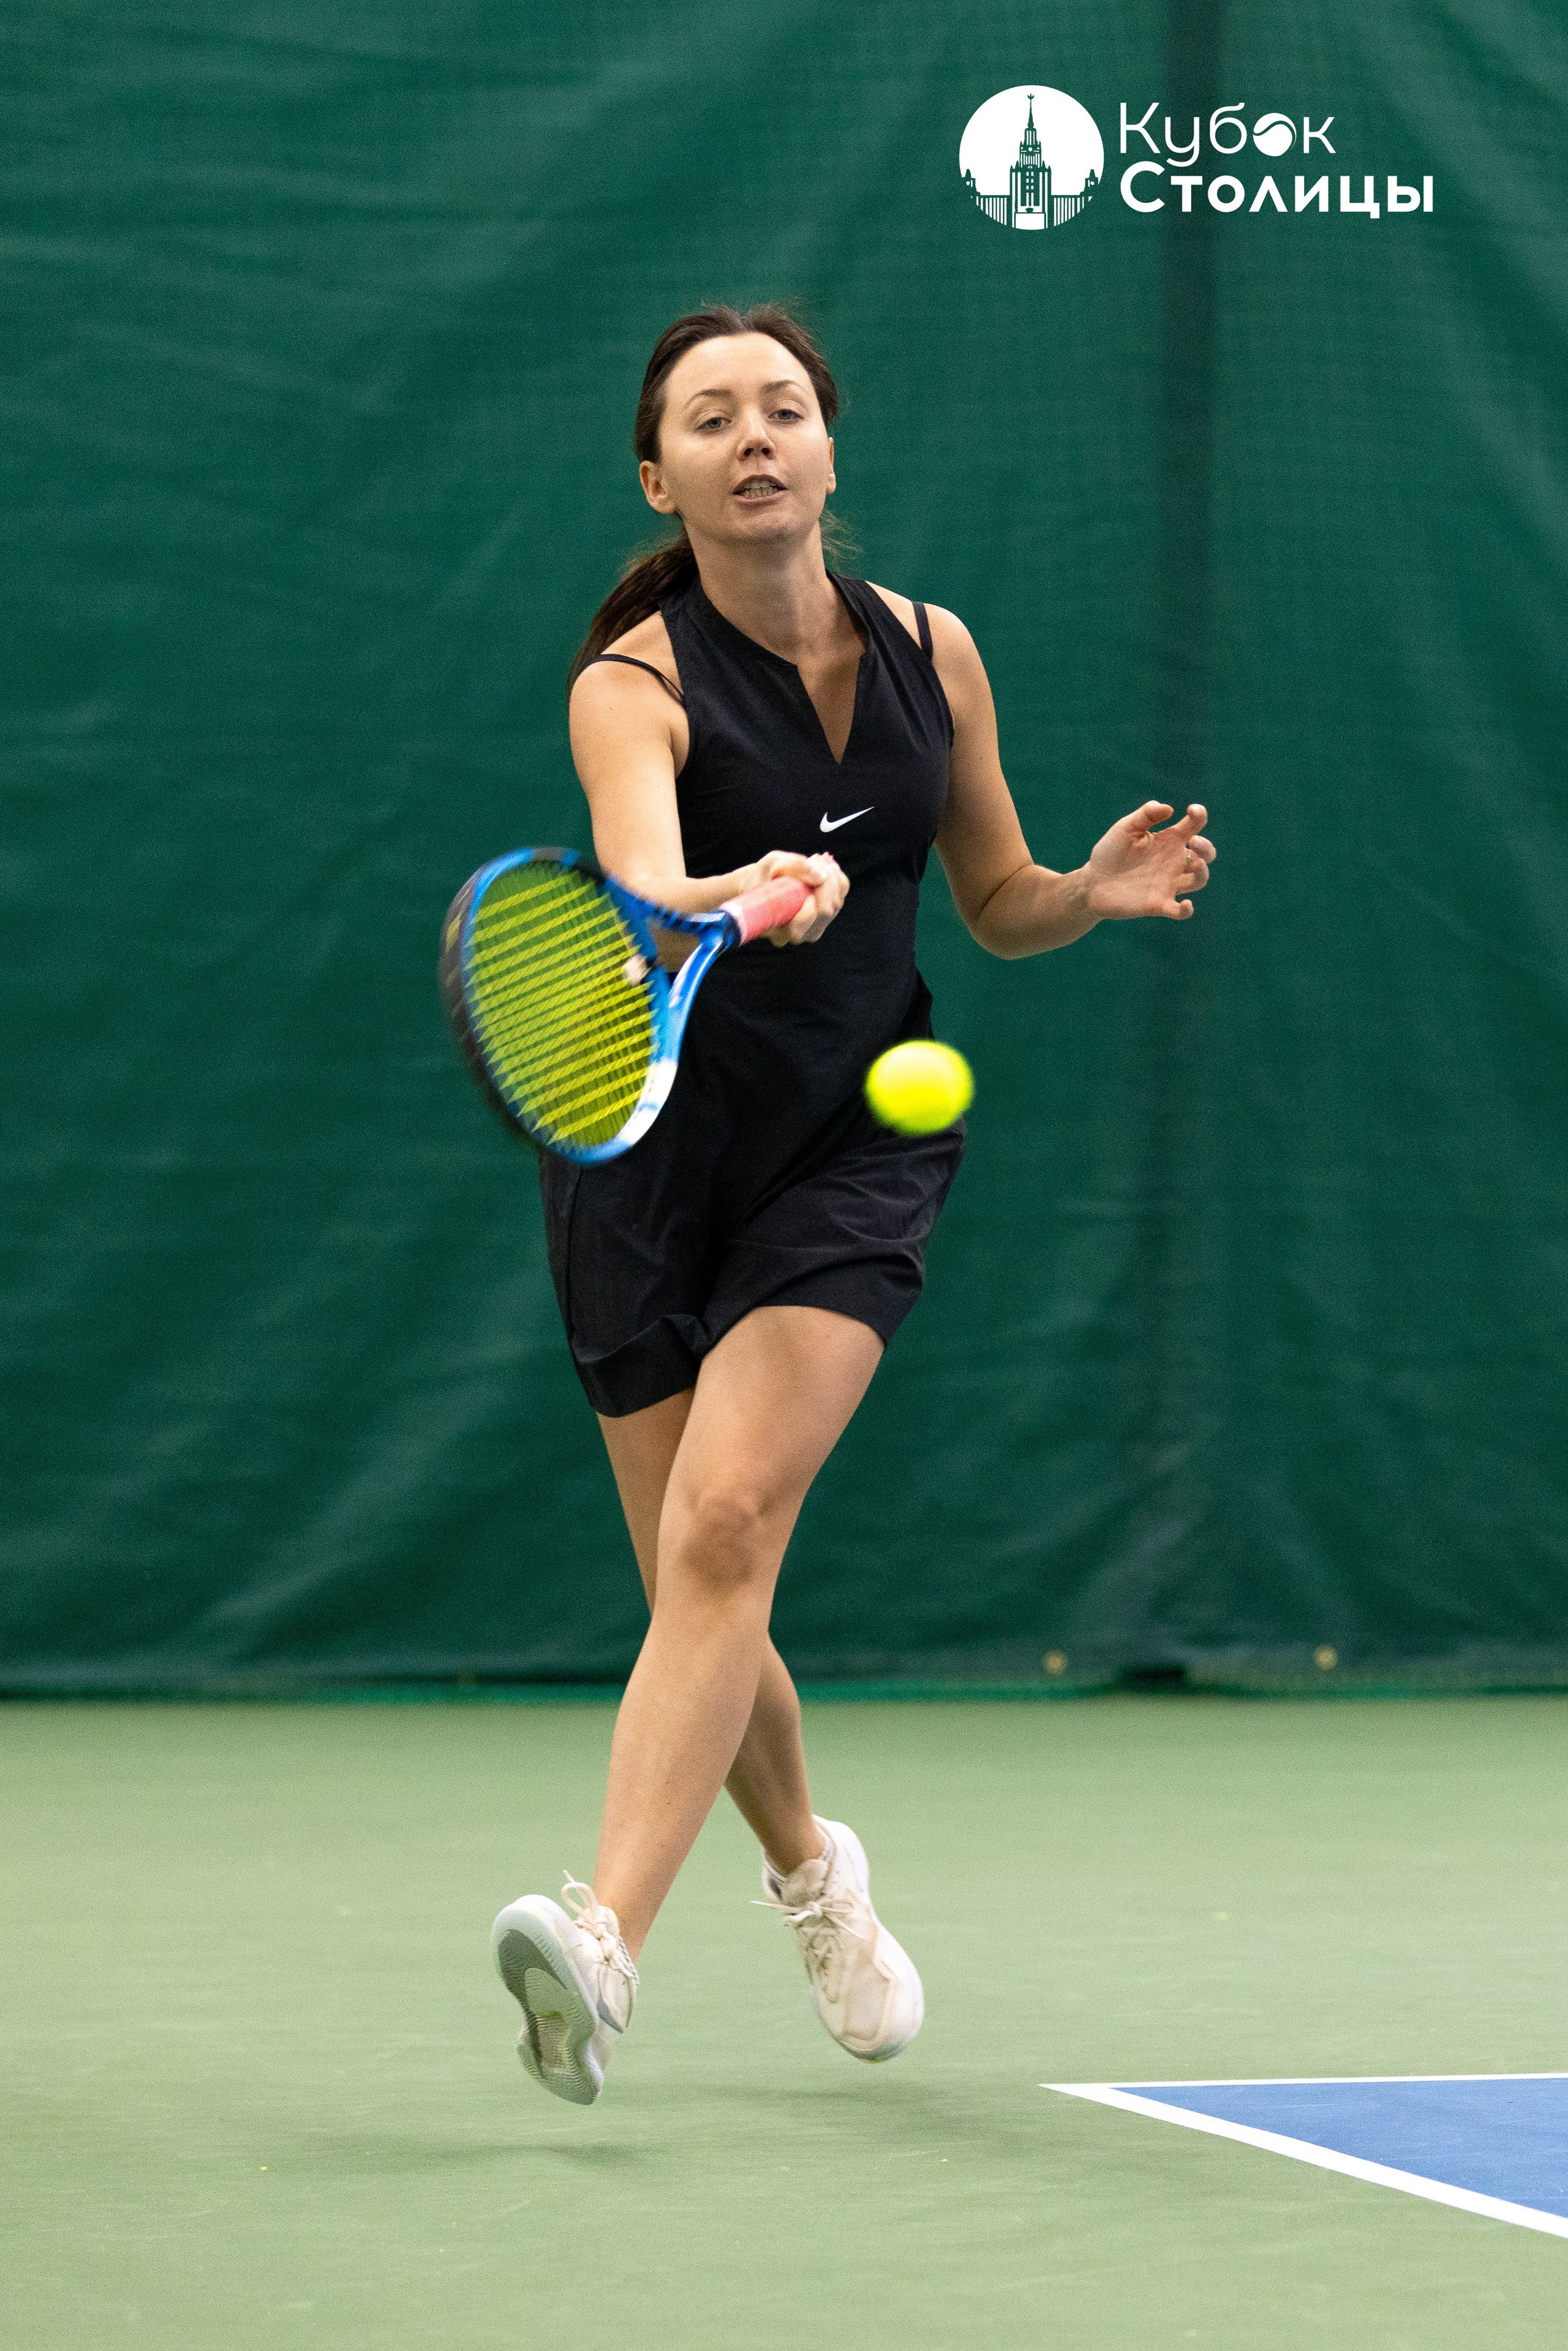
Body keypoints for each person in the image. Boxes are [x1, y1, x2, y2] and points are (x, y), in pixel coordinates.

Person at [491, 303, 1215, 2105]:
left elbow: (993, 899)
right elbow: (648, 883)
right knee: (696, 1584)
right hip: (644, 1153)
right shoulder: (630, 683)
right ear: (661, 476)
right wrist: (729, 893)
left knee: (730, 1528)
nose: (756, 437)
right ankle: (816, 1871)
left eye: (785, 408)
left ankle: (603, 1942)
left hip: (848, 1151)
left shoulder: (933, 655)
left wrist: (1088, 894)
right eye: (711, 419)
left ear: (828, 452)